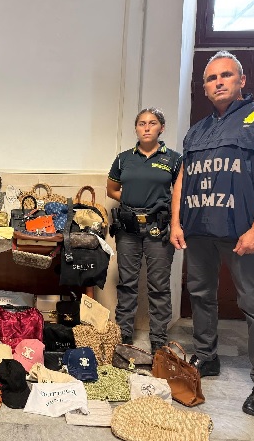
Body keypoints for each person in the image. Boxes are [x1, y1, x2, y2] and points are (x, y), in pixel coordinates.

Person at [170, 50, 254, 416]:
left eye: (226, 75)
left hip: (242, 232)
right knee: (201, 295)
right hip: (199, 230)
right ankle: (207, 356)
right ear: (205, 87)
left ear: (242, 80)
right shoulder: (196, 130)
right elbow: (182, 179)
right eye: (211, 78)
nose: (218, 82)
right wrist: (176, 222)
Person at [107, 108, 182, 355]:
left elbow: (179, 195)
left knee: (159, 286)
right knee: (127, 283)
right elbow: (111, 190)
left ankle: (158, 339)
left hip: (159, 229)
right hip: (128, 229)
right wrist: (131, 201)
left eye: (152, 123)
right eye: (141, 123)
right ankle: (124, 335)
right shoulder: (123, 159)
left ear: (162, 128)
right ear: (136, 128)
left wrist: (160, 211)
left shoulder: (174, 159)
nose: (146, 127)